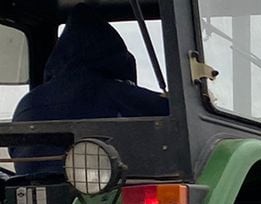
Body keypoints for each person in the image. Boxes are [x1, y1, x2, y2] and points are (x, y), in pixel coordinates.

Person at [13, 18, 167, 127]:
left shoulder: (27, 103)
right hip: (101, 172)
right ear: (112, 55)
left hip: (29, 174)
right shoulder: (110, 92)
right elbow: (170, 111)